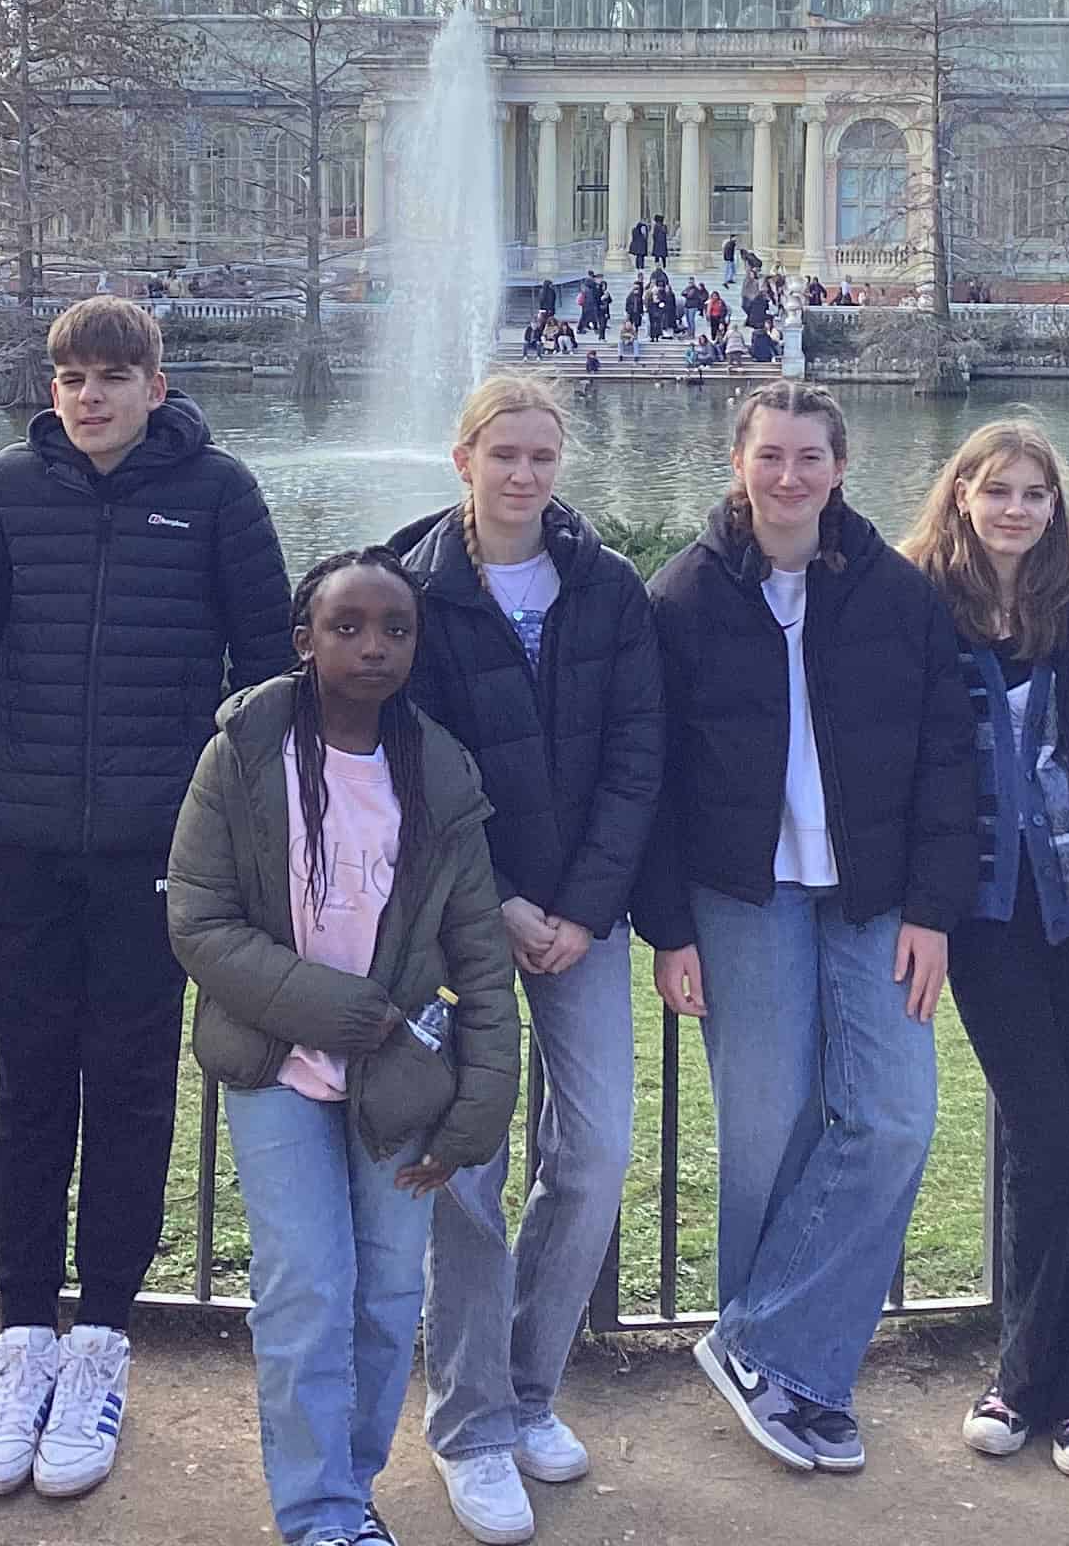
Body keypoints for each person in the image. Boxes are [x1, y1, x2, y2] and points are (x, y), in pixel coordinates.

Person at [0, 296, 296, 1499]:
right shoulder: (7, 489)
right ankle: (24, 1337)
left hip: (159, 847)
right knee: (30, 1084)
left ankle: (102, 1341)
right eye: (69, 377)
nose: (87, 396)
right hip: (26, 842)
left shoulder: (219, 492)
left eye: (110, 376)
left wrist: (249, 829)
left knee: (134, 1088)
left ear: (154, 383)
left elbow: (264, 673)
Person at [641, 383, 974, 1475]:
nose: (789, 477)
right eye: (770, 456)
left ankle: (758, 1345)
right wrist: (668, 929)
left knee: (891, 1117)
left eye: (809, 458)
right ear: (738, 462)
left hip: (874, 895)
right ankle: (797, 1375)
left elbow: (944, 757)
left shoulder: (897, 593)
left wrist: (933, 906)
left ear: (841, 467)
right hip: (743, 895)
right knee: (767, 1130)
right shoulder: (683, 596)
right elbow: (654, 780)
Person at [168, 551, 521, 1546]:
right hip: (276, 1062)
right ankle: (320, 1514)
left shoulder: (439, 771)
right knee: (307, 1292)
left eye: (394, 629)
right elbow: (199, 922)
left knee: (386, 1295)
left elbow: (480, 955)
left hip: (399, 1081)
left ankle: (350, 1483)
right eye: (348, 626)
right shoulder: (243, 753)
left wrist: (481, 1105)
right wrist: (334, 1012)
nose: (373, 646)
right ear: (304, 639)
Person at [388, 379, 662, 1542]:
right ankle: (470, 1422)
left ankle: (527, 1383)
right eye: (505, 453)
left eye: (543, 454)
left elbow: (639, 756)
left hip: (584, 923)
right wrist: (495, 902)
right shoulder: (409, 591)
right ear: (463, 458)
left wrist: (585, 909)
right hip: (461, 924)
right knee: (468, 1170)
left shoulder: (607, 588)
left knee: (593, 1153)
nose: (525, 474)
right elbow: (403, 768)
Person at [903, 422, 1069, 1484]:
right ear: (961, 494)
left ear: (1056, 507)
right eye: (996, 489)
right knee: (1048, 1141)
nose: (1016, 508)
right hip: (983, 908)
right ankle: (1023, 1370)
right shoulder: (921, 609)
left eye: (1035, 493)